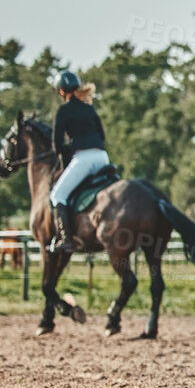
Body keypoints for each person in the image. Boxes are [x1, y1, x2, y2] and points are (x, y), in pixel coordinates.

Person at [48, 70, 110, 253]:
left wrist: (68, 153)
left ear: (61, 91)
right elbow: (102, 136)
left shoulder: (64, 111)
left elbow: (58, 144)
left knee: (57, 195)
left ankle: (65, 239)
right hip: (102, 157)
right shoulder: (89, 108)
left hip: (84, 158)